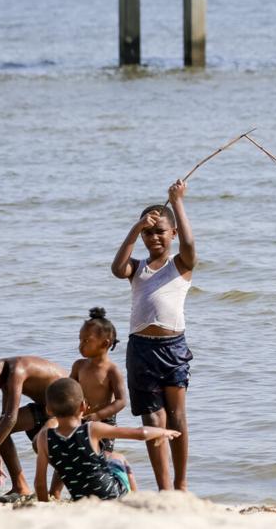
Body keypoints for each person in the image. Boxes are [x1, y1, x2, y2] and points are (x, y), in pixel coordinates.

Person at [111, 179, 195, 491]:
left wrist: (178, 203)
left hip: (173, 347)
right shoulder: (138, 267)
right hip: (141, 348)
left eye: (160, 231)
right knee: (152, 420)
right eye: (149, 232)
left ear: (172, 233)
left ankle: (181, 483)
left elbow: (190, 245)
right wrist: (134, 229)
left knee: (176, 416)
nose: (154, 236)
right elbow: (117, 268)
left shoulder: (180, 264)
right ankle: (164, 487)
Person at [34, 379, 179, 502]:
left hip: (81, 500)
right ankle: (134, 498)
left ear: (49, 410)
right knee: (119, 458)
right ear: (84, 406)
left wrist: (45, 505)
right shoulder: (91, 429)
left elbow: (40, 483)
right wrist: (163, 431)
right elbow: (140, 433)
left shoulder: (44, 437)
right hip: (111, 494)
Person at [0, 351, 66, 496]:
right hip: (46, 408)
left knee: (49, 446)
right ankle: (20, 487)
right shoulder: (3, 377)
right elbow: (5, 418)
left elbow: (11, 418)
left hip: (68, 407)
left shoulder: (17, 370)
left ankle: (57, 490)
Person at [70, 307, 126, 452]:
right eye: (80, 340)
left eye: (86, 340)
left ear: (105, 343)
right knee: (72, 457)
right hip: (79, 419)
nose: (81, 345)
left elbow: (121, 401)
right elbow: (69, 390)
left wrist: (98, 415)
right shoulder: (79, 366)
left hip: (104, 421)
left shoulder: (111, 370)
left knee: (102, 459)